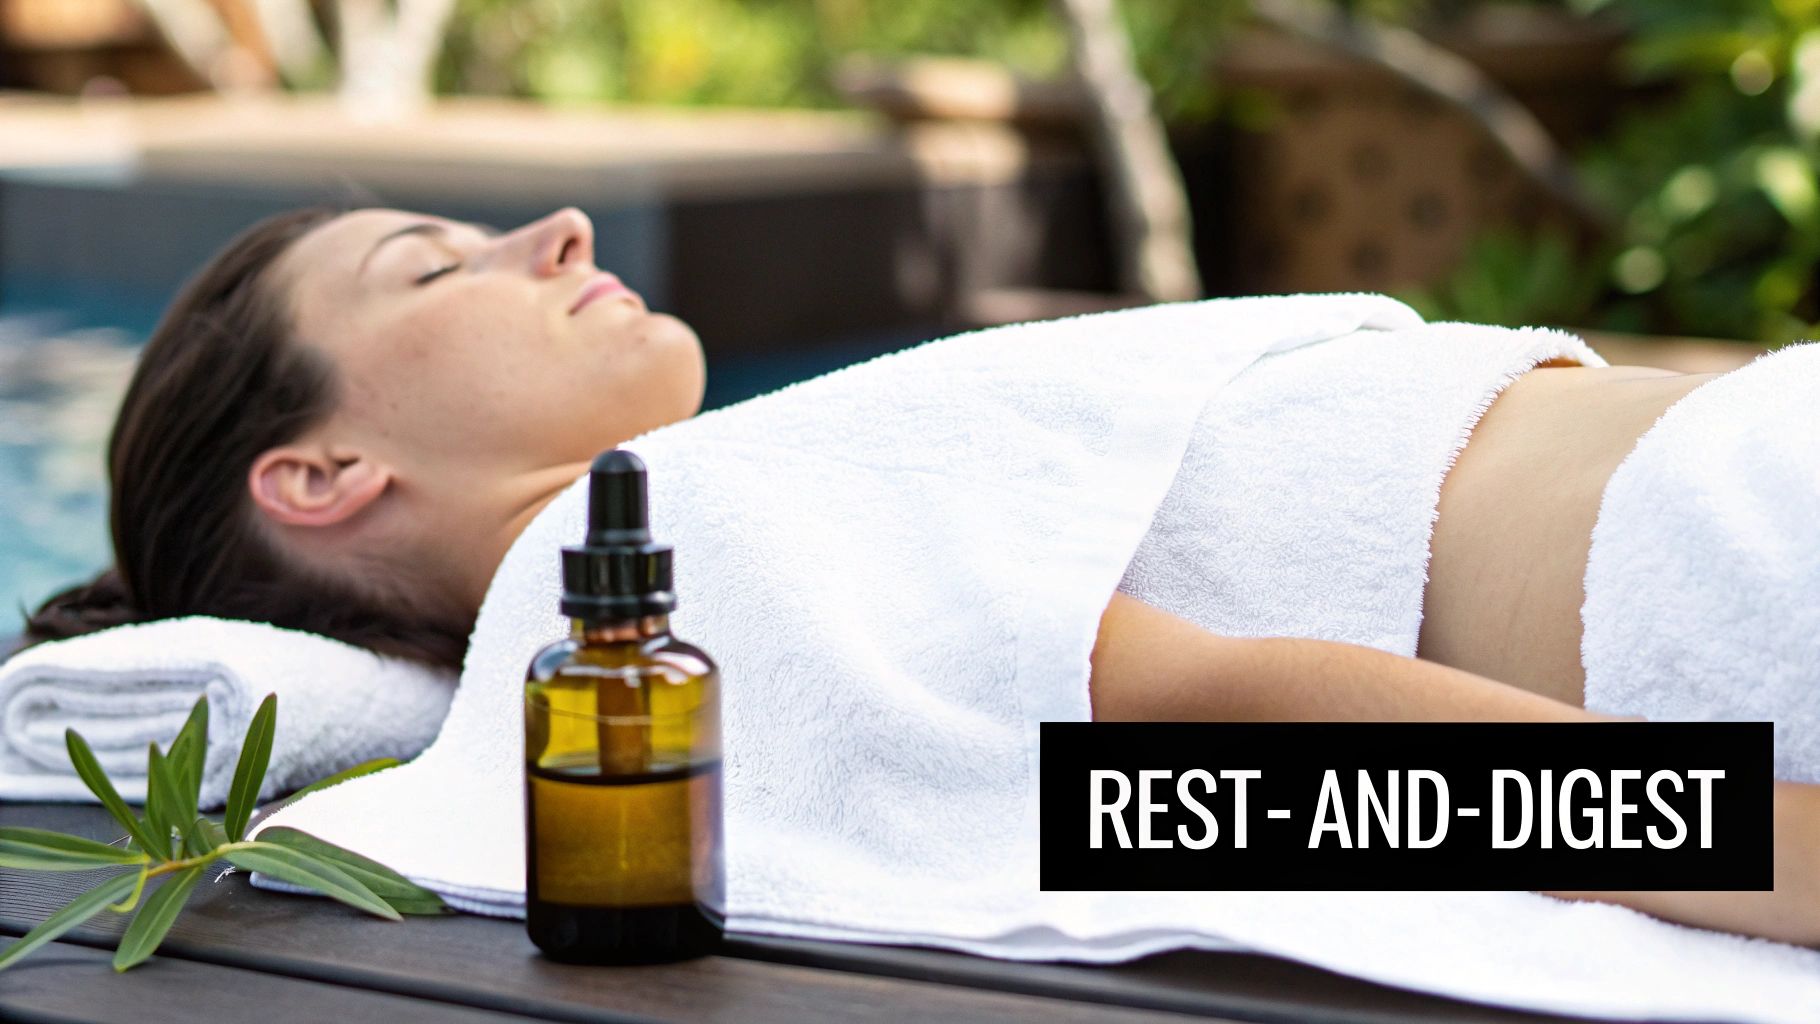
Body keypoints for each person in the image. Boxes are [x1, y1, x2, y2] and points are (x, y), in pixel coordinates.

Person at [17, 205, 1820, 946]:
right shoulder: (642, 558)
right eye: (434, 266)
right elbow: (1217, 747)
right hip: (1732, 559)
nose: (552, 230)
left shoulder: (721, 531)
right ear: (321, 475)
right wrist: (1777, 853)